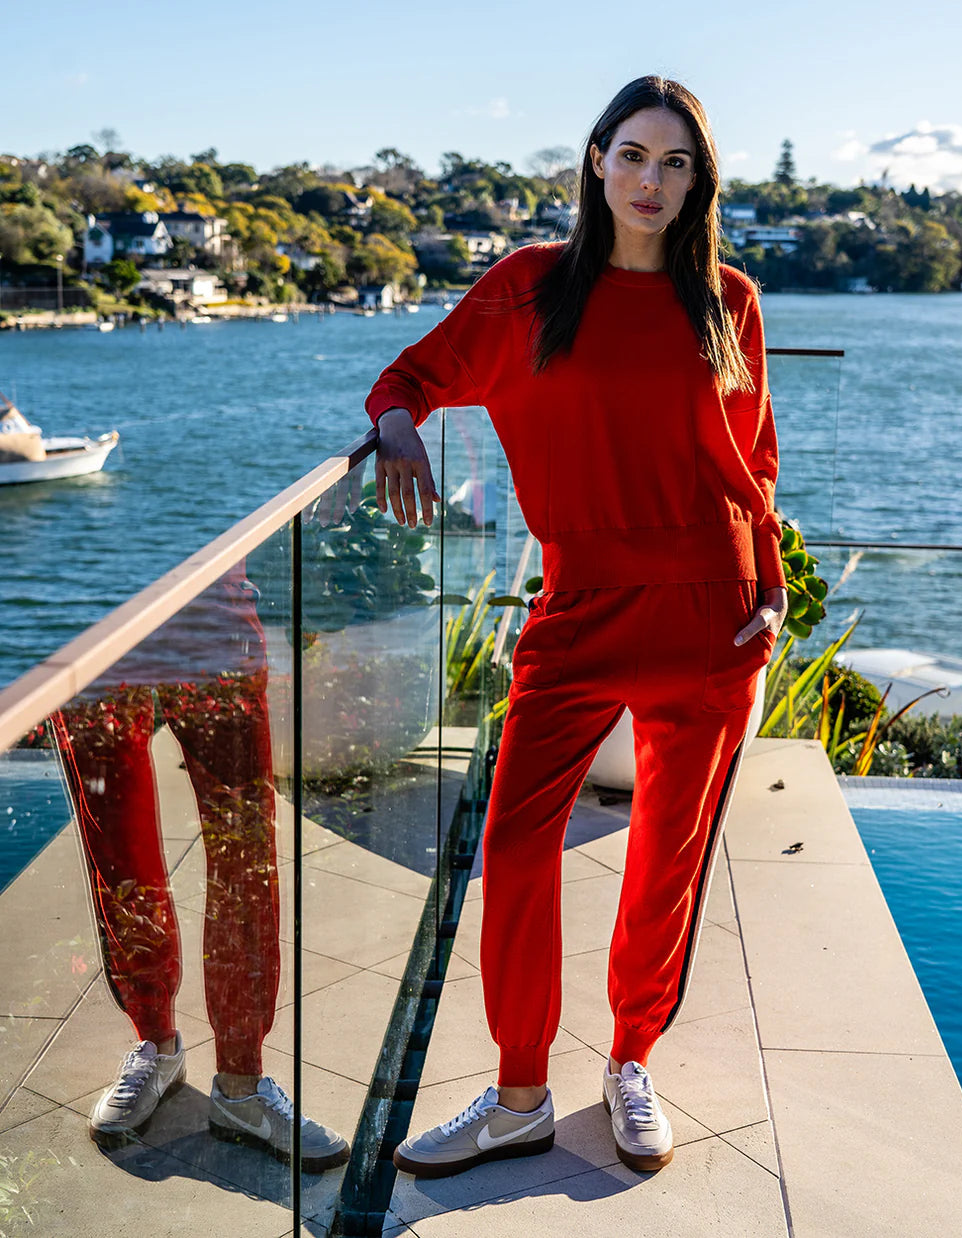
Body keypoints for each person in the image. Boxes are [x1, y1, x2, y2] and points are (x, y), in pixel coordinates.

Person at [365, 75, 787, 1178]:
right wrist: (399, 428)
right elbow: (413, 375)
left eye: (677, 163)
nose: (653, 180)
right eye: (635, 155)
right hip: (579, 609)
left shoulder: (728, 300)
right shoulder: (527, 289)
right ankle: (517, 1090)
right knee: (511, 845)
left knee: (666, 859)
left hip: (714, 614)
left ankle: (632, 1061)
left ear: (699, 182)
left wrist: (774, 587)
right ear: (596, 160)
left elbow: (755, 464)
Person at [52, 565, 349, 1174]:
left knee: (245, 849)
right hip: (90, 605)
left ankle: (241, 1083)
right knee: (116, 842)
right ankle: (155, 1039)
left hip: (210, 603)